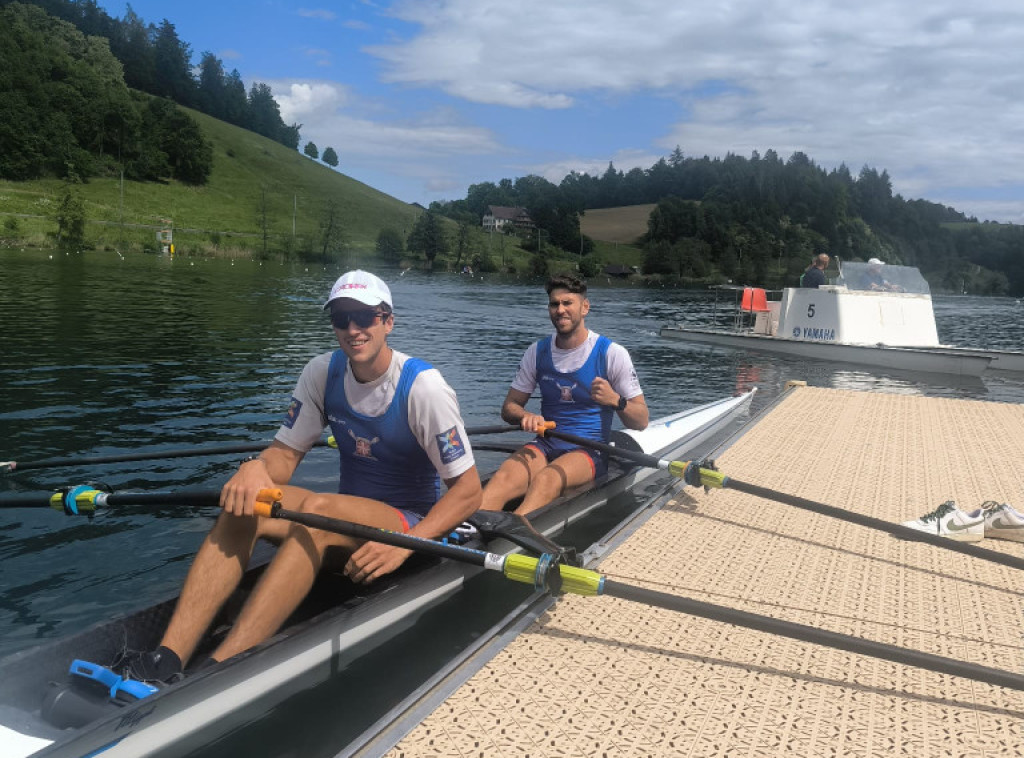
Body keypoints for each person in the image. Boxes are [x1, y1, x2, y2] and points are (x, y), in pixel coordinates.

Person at [125, 270, 482, 682]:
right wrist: (255, 467)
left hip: (407, 525)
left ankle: (217, 672)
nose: (352, 329)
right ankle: (166, 659)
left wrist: (405, 546)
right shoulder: (321, 373)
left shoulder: (424, 389)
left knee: (318, 514)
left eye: (364, 317)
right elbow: (284, 456)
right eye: (341, 317)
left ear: (387, 321)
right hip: (347, 519)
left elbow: (469, 492)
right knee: (247, 505)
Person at [480, 274, 648, 517]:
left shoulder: (611, 353)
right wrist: (525, 415)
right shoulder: (536, 352)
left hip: (589, 450)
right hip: (547, 441)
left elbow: (641, 420)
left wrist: (616, 400)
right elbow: (509, 408)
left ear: (585, 307)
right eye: (554, 304)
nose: (560, 310)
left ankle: (511, 534)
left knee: (547, 479)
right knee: (504, 476)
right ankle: (463, 533)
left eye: (567, 303)